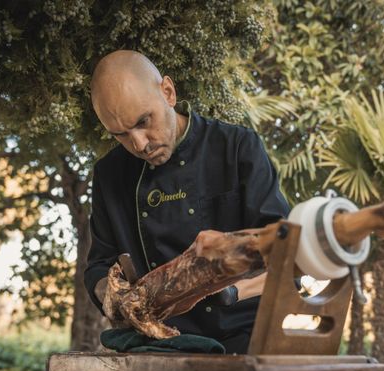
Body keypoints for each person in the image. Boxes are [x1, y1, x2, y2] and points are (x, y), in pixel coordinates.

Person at [84, 50, 290, 354]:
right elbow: (99, 266)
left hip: (248, 340)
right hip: (160, 345)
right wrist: (113, 297)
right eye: (121, 135)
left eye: (143, 121)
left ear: (168, 92)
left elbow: (284, 251)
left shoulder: (236, 148)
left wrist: (225, 289)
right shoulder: (109, 174)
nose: (139, 144)